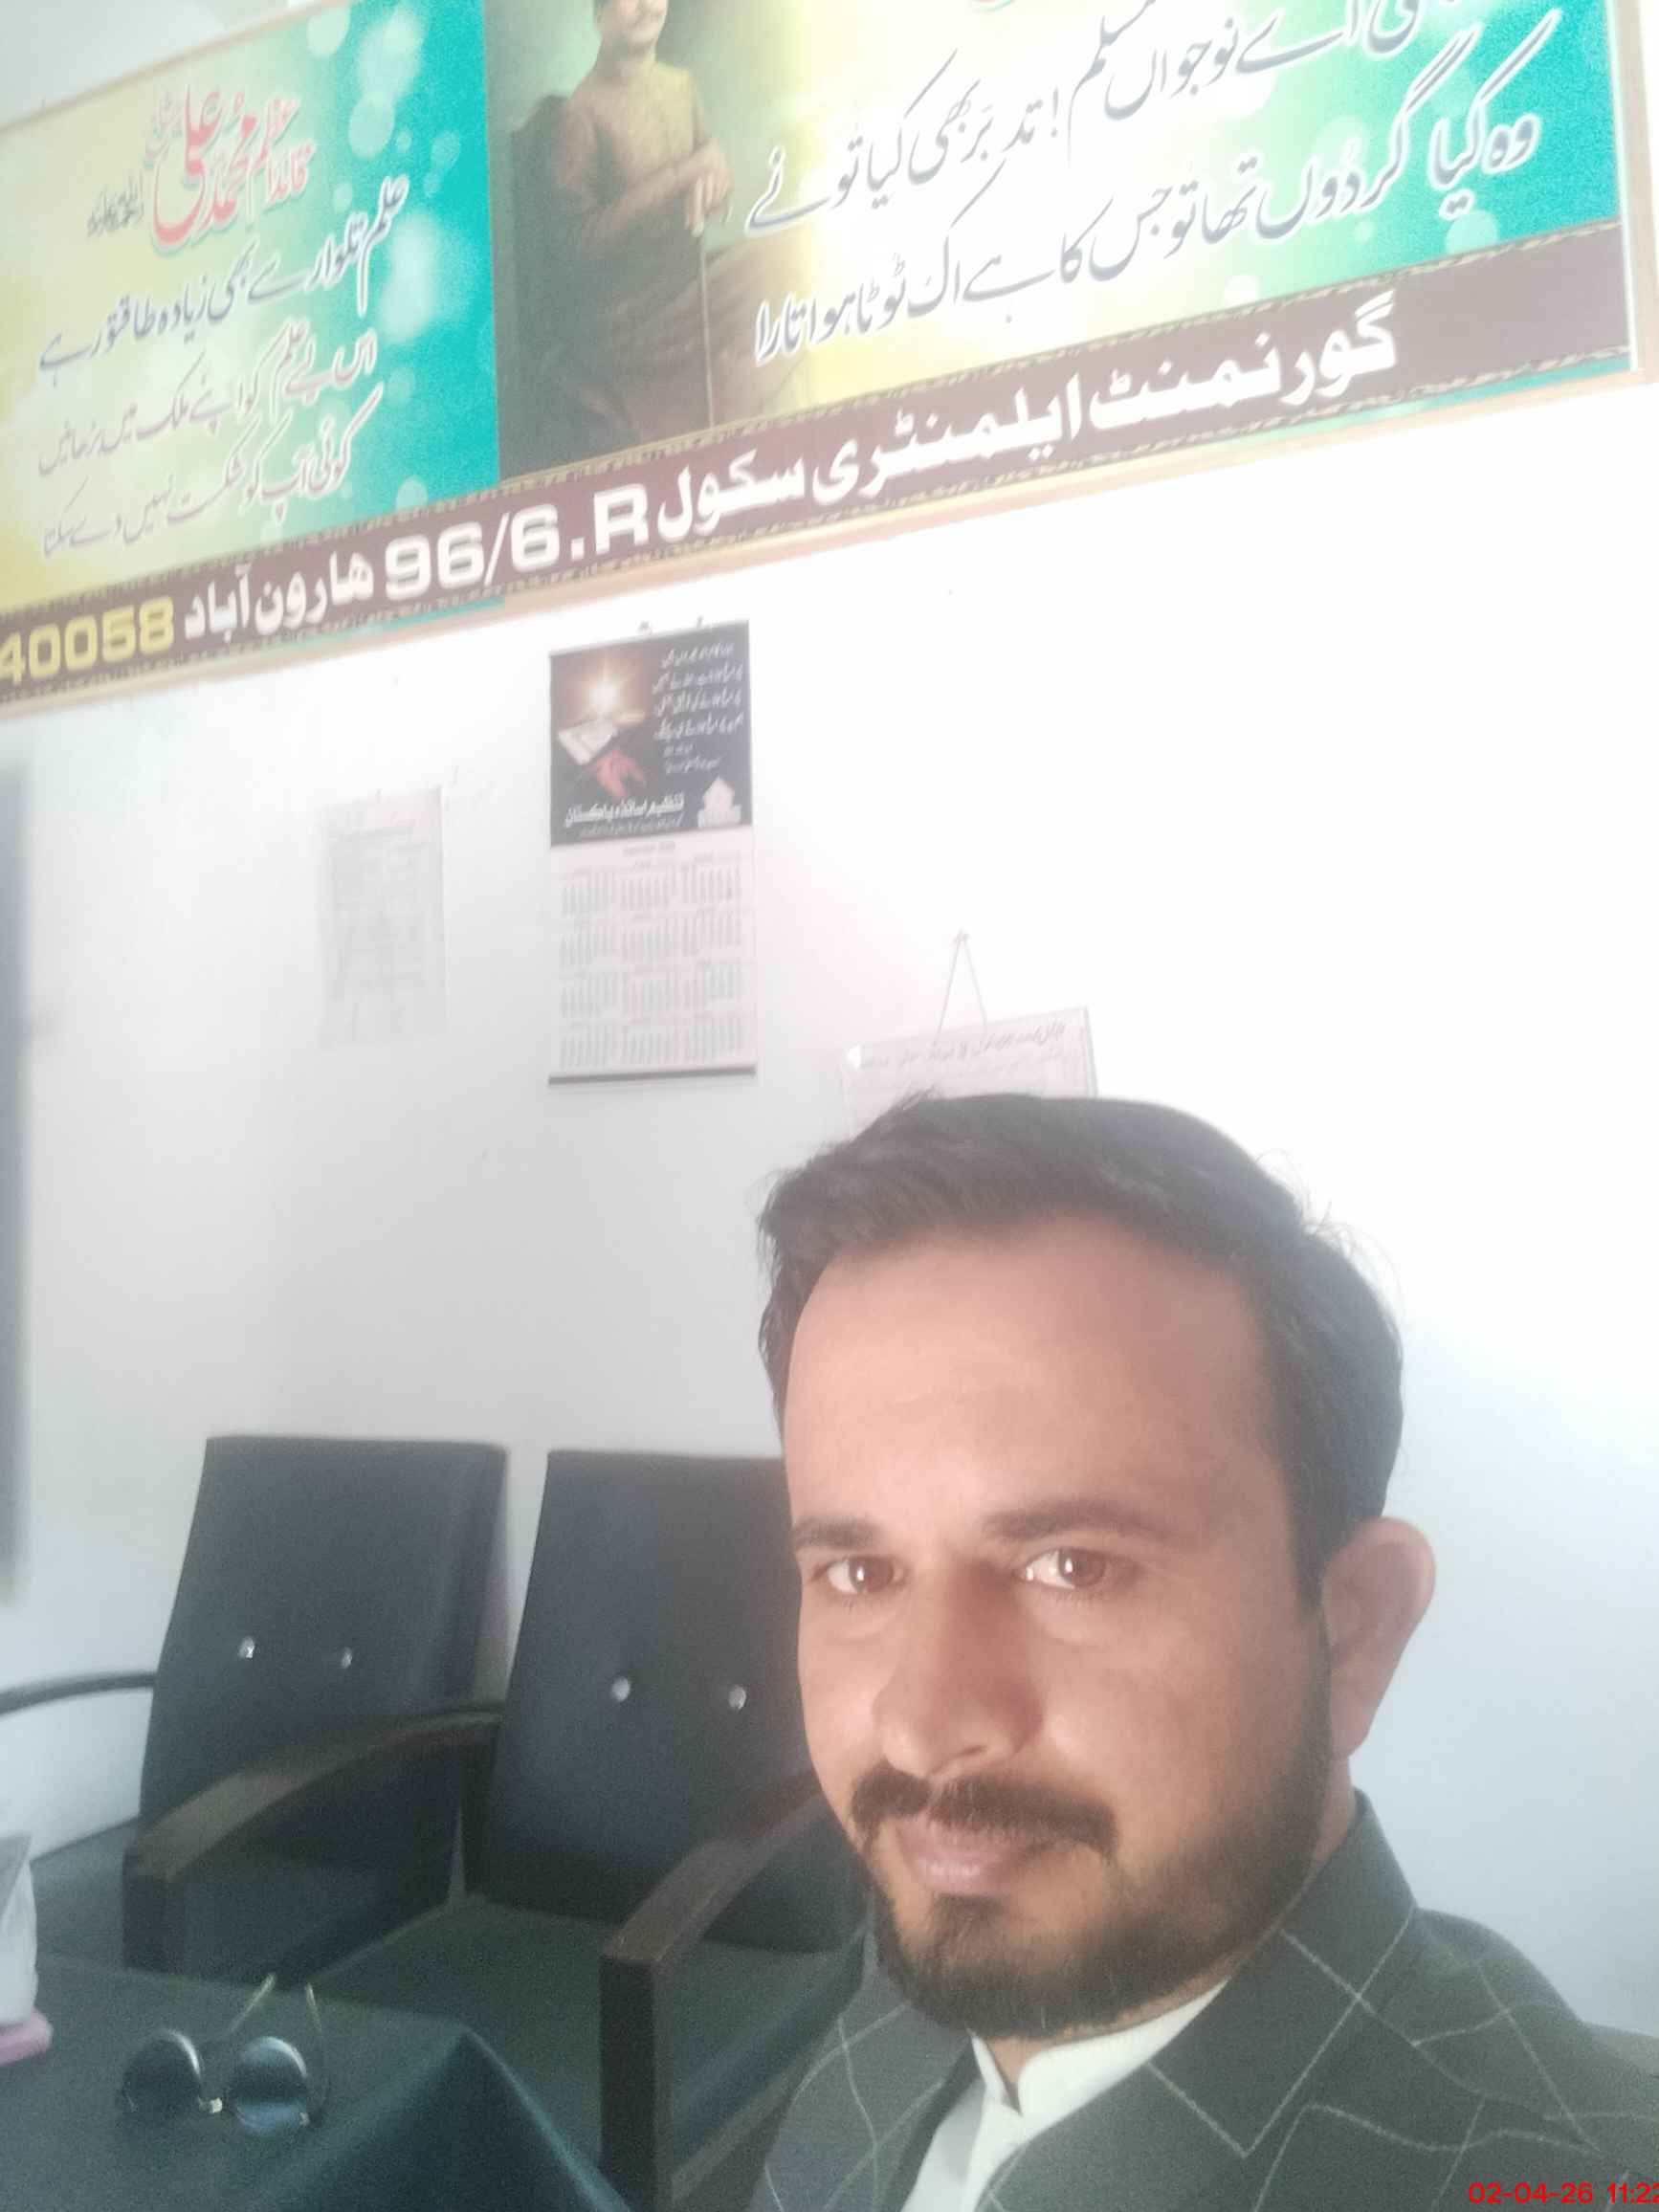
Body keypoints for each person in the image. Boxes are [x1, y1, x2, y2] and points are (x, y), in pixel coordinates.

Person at [749, 1095, 1659, 2211]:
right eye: (858, 1571)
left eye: (1073, 1565)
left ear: (1355, 1626)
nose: (920, 1724)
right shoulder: (923, 1971)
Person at [546, 0, 798, 453]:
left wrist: (714, 187)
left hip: (689, 285)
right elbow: (575, 246)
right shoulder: (580, 112)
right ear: (599, 14)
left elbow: (713, 176)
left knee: (789, 253)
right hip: (626, 320)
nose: (647, 7)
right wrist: (680, 175)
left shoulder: (682, 85)